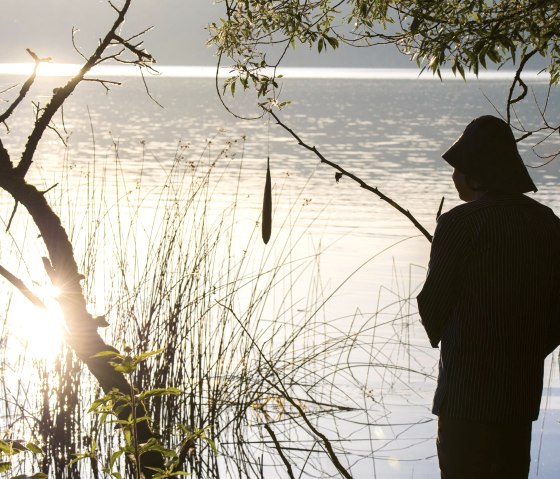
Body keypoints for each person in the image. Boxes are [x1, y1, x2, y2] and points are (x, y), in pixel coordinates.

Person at [417, 115, 560, 479]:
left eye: (458, 167)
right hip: (518, 396)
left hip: (465, 397)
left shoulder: (457, 223)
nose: (453, 176)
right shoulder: (547, 222)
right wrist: (528, 347)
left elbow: (432, 307)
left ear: (475, 172)